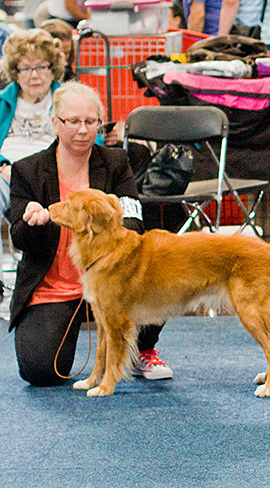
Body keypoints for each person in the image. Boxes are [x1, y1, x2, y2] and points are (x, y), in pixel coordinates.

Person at [6, 82, 170, 386]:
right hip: (55, 285)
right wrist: (34, 222)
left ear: (99, 123)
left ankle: (141, 349)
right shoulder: (27, 170)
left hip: (112, 279)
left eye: (91, 121)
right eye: (73, 121)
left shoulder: (116, 162)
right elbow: (19, 239)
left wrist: (105, 221)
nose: (83, 130)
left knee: (153, 275)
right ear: (55, 123)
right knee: (40, 372)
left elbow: (134, 220)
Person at [0, 29, 66, 212]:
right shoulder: (2, 102)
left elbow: (92, 136)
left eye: (42, 67)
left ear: (53, 69)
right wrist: (2, 165)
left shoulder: (68, 98)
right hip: (8, 175)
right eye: (26, 68)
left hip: (55, 175)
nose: (34, 75)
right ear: (16, 72)